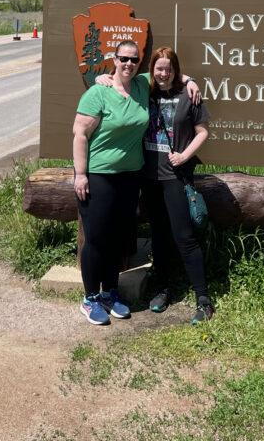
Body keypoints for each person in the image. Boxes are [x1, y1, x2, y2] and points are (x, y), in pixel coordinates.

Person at [74, 40, 199, 326]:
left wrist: (190, 81)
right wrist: (81, 174)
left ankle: (111, 293)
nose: (128, 64)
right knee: (96, 239)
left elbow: (170, 73)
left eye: (133, 59)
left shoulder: (142, 85)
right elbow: (79, 134)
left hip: (130, 176)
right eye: (123, 59)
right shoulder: (99, 92)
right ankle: (90, 298)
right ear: (114, 60)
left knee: (118, 236)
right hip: (99, 175)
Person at [142, 47, 214, 325]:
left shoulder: (189, 95)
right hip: (148, 177)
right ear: (152, 70)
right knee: (159, 236)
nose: (163, 74)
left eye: (168, 69)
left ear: (176, 70)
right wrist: (105, 79)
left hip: (175, 176)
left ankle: (203, 299)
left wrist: (184, 156)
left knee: (184, 238)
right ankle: (163, 289)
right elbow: (124, 78)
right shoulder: (145, 92)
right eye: (158, 68)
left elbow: (203, 130)